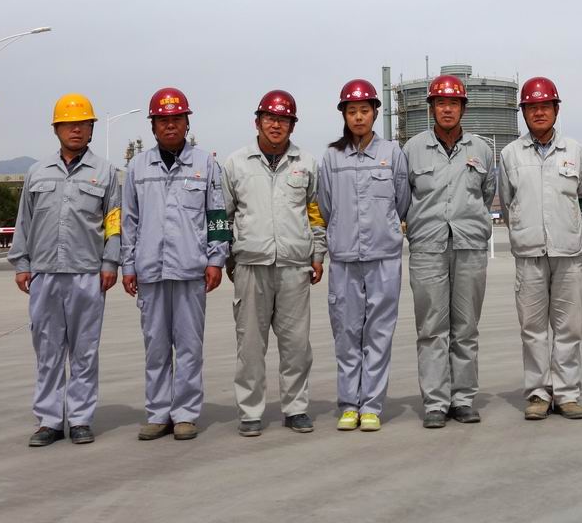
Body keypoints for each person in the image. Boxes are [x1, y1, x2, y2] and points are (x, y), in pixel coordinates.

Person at [8, 93, 121, 447]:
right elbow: (24, 221)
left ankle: (81, 418)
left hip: (88, 274)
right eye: (68, 124)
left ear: (91, 129)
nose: (76, 130)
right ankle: (50, 420)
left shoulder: (105, 173)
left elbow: (114, 222)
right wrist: (22, 263)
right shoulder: (37, 172)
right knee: (48, 350)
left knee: (85, 351)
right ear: (56, 129)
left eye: (82, 124)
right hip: (44, 274)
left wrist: (110, 262)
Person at [120, 86, 227, 441]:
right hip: (150, 270)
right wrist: (128, 265)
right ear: (152, 126)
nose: (170, 125)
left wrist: (216, 258)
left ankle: (185, 413)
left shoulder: (205, 164)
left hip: (190, 270)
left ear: (187, 123)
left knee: (189, 346)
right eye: (163, 120)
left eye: (177, 119)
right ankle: (158, 413)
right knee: (155, 347)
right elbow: (129, 221)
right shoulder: (137, 167)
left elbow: (217, 215)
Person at [221, 90, 325, 437]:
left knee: (296, 345)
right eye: (270, 118)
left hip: (295, 265)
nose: (276, 125)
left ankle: (296, 408)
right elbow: (222, 216)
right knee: (250, 345)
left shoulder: (306, 163)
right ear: (258, 122)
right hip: (251, 265)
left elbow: (315, 213)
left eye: (284, 120)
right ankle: (251, 411)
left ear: (292, 125)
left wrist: (318, 254)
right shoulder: (236, 163)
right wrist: (227, 256)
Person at [403, 74, 496, 429]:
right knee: (431, 328)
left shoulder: (481, 149)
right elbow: (402, 198)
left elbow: (487, 194)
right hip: (428, 247)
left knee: (466, 327)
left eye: (453, 103)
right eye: (440, 103)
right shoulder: (412, 150)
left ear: (463, 109)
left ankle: (463, 399)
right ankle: (436, 402)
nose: (447, 109)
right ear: (431, 108)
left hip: (469, 246)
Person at [316, 79, 410, 432]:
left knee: (378, 334)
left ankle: (371, 405)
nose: (358, 117)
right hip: (344, 259)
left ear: (374, 113)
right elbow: (325, 205)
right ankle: (348, 405)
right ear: (344, 115)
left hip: (384, 257)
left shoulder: (392, 154)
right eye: (352, 111)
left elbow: (402, 201)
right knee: (346, 333)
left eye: (364, 111)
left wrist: (385, 229)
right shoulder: (332, 157)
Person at [498, 77, 582, 422]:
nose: (539, 113)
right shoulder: (510, 154)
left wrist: (568, 226)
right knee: (533, 329)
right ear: (524, 112)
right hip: (529, 255)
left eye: (545, 106)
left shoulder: (574, 151)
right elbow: (507, 204)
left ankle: (567, 394)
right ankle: (538, 393)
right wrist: (526, 229)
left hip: (568, 254)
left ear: (556, 109)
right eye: (532, 107)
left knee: (569, 328)